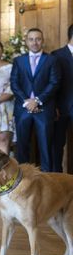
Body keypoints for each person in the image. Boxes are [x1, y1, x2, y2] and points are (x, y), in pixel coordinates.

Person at [10, 28, 60, 172]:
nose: (35, 42)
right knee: (22, 147)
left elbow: (54, 82)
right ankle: (23, 180)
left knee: (46, 147)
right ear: (26, 41)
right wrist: (27, 102)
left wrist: (37, 100)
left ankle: (47, 181)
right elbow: (14, 83)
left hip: (44, 109)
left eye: (38, 39)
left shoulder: (51, 59)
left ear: (42, 41)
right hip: (23, 109)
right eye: (31, 39)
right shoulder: (18, 61)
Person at [53, 24, 73, 172]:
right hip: (61, 108)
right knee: (57, 144)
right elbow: (53, 84)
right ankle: (57, 177)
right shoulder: (57, 55)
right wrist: (54, 106)